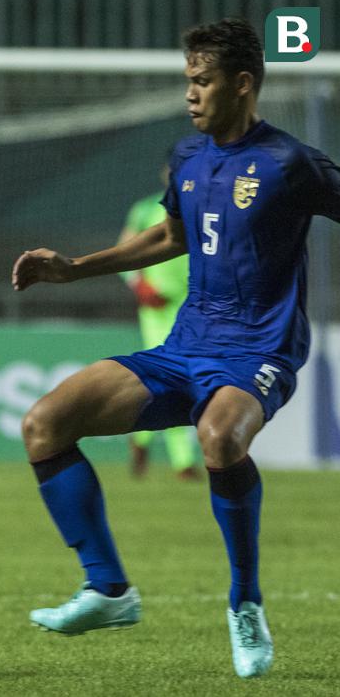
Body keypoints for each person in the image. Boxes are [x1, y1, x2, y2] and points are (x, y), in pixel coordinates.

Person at [10, 17, 340, 678]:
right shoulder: (188, 159)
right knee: (44, 423)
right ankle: (107, 590)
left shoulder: (287, 163)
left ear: (241, 85)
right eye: (186, 81)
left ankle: (243, 602)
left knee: (219, 438)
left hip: (259, 352)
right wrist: (73, 268)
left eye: (201, 81)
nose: (189, 94)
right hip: (185, 344)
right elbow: (170, 237)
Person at [116, 166, 202, 480]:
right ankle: (184, 463)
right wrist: (139, 284)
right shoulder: (145, 209)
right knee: (173, 375)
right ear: (166, 173)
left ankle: (140, 437)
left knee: (182, 378)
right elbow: (125, 252)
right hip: (157, 306)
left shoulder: (207, 205)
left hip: (196, 305)